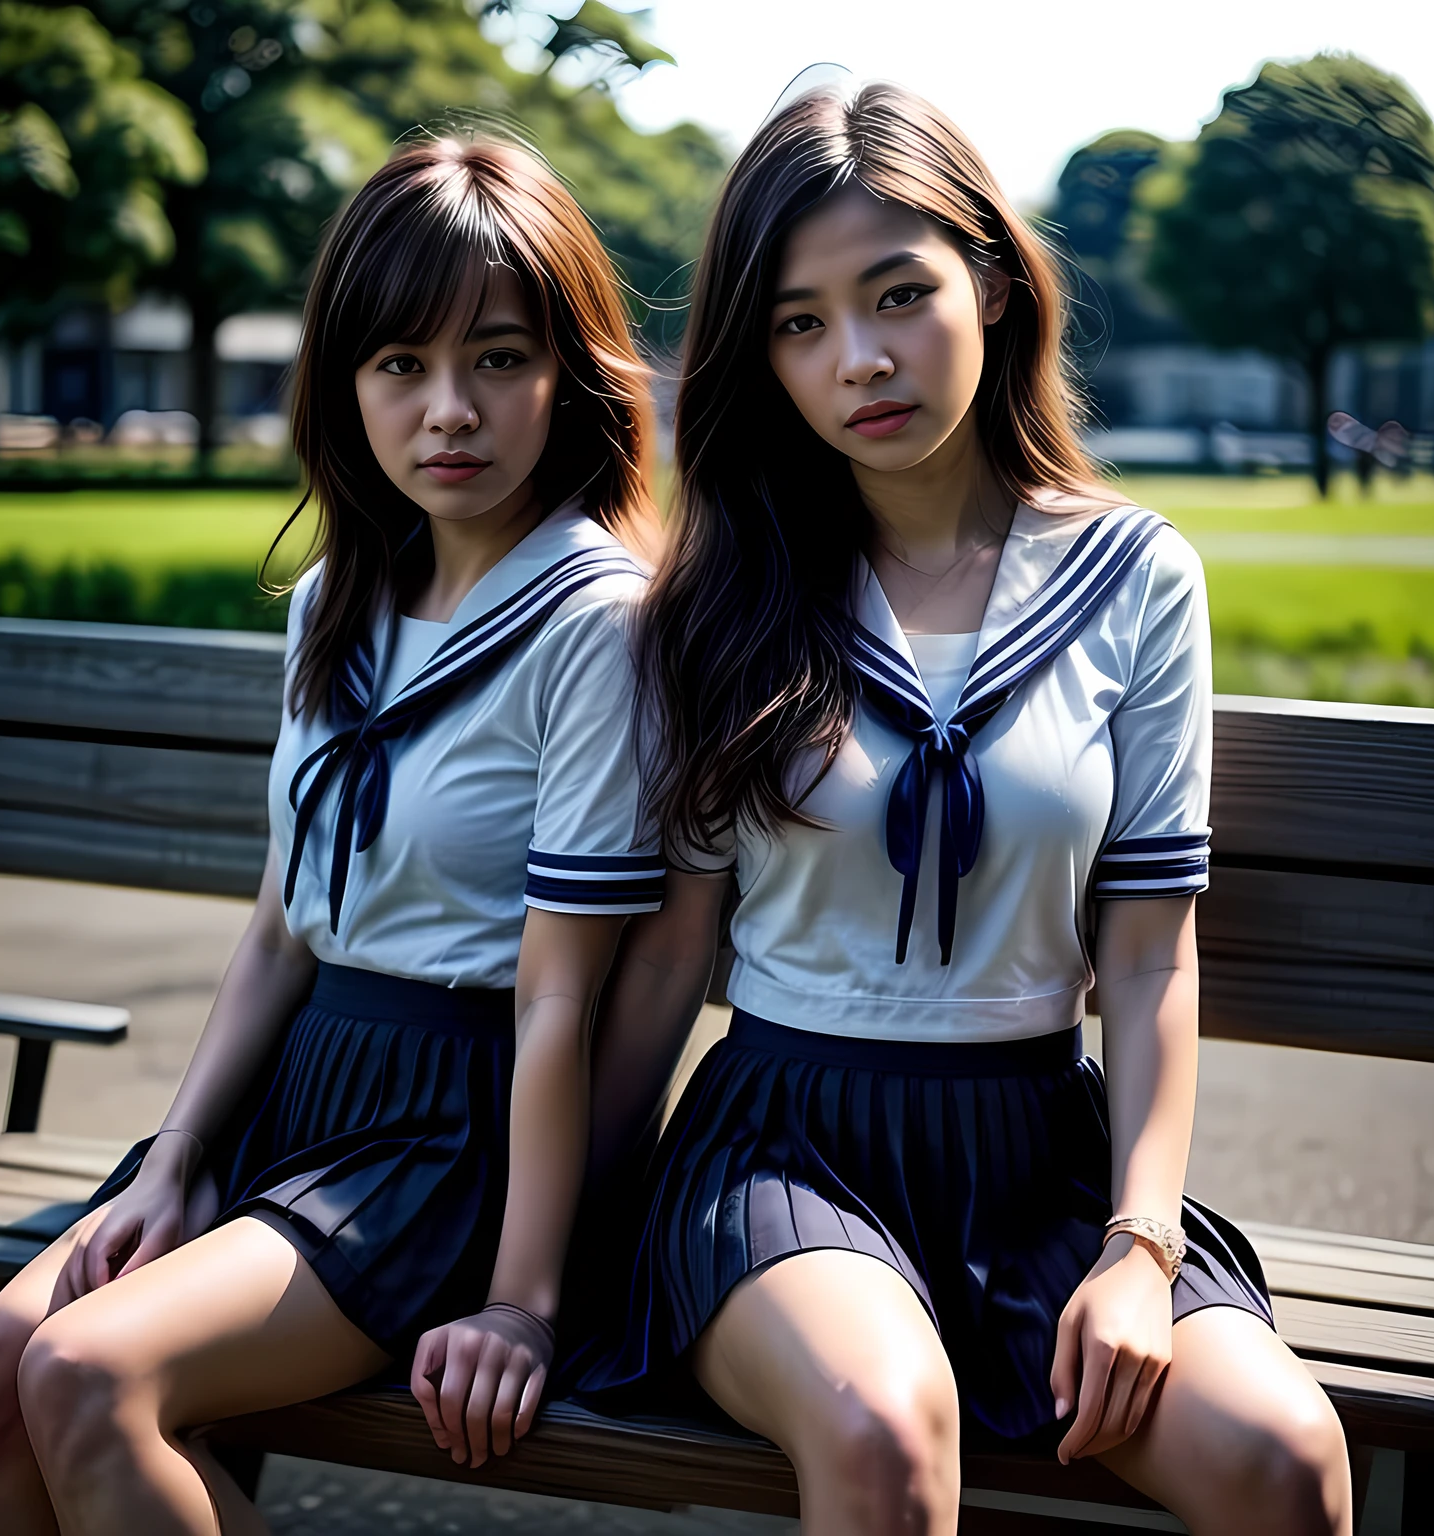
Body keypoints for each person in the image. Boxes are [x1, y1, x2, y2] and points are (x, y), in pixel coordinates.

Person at [574, 82, 1352, 1536]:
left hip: (1042, 1164)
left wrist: (1138, 1243)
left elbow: (1149, 953)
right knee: (880, 1423)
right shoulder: (723, 601)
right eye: (799, 324)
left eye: (896, 294)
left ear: (990, 280)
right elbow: (673, 958)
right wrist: (536, 1273)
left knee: (1282, 1458)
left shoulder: (1134, 577)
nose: (858, 358)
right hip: (781, 1152)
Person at [0, 133, 664, 1534]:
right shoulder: (340, 595)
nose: (448, 412)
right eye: (400, 366)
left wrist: (523, 1302)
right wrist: (175, 1153)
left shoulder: (597, 623)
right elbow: (284, 928)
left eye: (499, 359)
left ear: (570, 372)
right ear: (346, 386)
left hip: (444, 1133)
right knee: (1, 1362)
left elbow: (556, 997)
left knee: (87, 1375)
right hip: (293, 1095)